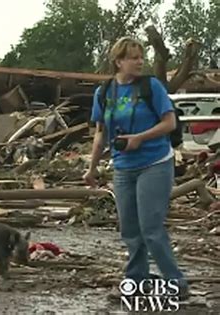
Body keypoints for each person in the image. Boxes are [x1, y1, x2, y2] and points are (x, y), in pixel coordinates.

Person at [83, 37, 189, 300]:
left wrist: (140, 137)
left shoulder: (151, 86)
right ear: (119, 61)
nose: (140, 61)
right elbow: (100, 133)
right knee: (130, 229)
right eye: (133, 57)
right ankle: (136, 280)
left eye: (141, 56)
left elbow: (170, 123)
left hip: (155, 162)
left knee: (151, 228)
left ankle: (176, 283)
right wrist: (92, 168)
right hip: (123, 166)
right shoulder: (105, 91)